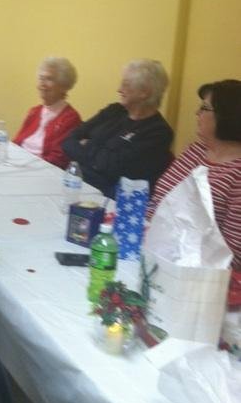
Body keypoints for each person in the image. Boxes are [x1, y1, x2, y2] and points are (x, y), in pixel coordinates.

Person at [148, 79, 241, 307]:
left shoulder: (237, 172)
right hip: (153, 252)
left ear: (228, 116)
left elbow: (232, 252)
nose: (197, 113)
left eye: (204, 108)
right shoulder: (196, 150)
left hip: (194, 281)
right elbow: (160, 198)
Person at [62, 59, 173, 198]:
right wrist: (99, 156)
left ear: (144, 92)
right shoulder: (114, 110)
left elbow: (113, 168)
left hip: (106, 197)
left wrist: (87, 144)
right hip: (76, 184)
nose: (119, 89)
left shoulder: (158, 132)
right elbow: (68, 140)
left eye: (126, 84)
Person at [13, 56, 81, 168]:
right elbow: (16, 143)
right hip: (18, 163)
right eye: (41, 78)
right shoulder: (34, 111)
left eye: (49, 79)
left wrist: (24, 165)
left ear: (64, 86)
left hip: (39, 170)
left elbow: (57, 160)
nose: (42, 84)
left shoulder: (70, 119)